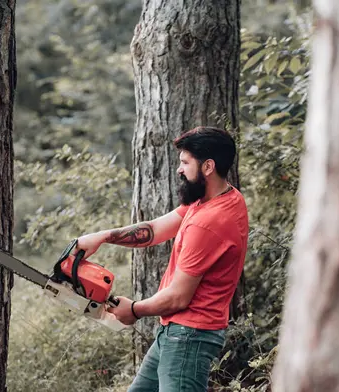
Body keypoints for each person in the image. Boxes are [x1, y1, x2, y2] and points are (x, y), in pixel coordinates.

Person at [74, 126, 249, 391]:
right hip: (175, 333)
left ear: (208, 166)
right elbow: (154, 230)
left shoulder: (208, 222)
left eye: (185, 162)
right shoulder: (221, 198)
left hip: (189, 337)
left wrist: (133, 310)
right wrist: (101, 237)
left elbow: (179, 297)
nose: (179, 169)